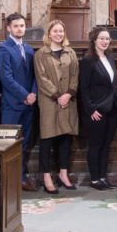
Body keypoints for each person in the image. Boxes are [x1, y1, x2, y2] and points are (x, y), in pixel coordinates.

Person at [34, 20, 79, 194]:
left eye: (61, 31)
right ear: (49, 33)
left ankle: (63, 174)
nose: (58, 34)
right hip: (49, 101)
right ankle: (46, 177)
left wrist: (68, 93)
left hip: (68, 102)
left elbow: (75, 75)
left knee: (65, 141)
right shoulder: (40, 54)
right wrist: (57, 95)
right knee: (47, 140)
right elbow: (42, 79)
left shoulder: (71, 52)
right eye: (55, 31)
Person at [0, 12, 38, 190]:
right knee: (10, 145)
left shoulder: (29, 49)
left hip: (29, 105)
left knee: (25, 143)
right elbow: (6, 78)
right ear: (8, 28)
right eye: (16, 26)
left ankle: (20, 177)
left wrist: (33, 94)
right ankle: (10, 181)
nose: (20, 29)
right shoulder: (4, 49)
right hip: (12, 105)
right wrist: (24, 95)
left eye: (22, 26)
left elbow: (35, 75)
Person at [78, 27, 117, 191]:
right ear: (94, 40)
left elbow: (113, 86)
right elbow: (84, 88)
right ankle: (95, 180)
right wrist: (90, 109)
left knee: (106, 145)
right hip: (96, 111)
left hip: (112, 109)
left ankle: (103, 177)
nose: (104, 41)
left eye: (107, 39)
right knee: (95, 145)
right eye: (101, 38)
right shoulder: (88, 60)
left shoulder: (110, 58)